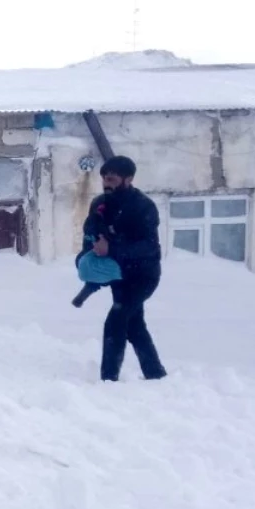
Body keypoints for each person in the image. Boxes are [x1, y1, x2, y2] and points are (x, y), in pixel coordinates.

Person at [92, 156, 167, 382]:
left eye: (113, 178)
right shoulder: (99, 205)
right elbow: (91, 237)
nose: (107, 182)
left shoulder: (143, 206)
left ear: (129, 179)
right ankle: (155, 374)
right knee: (134, 325)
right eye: (105, 178)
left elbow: (149, 246)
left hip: (144, 275)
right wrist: (86, 261)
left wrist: (111, 248)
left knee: (116, 319)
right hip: (118, 275)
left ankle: (108, 379)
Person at [71, 191, 122, 308]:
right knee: (125, 271)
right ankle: (120, 302)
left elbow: (87, 243)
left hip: (84, 266)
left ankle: (89, 287)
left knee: (92, 270)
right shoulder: (110, 224)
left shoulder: (90, 223)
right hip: (109, 269)